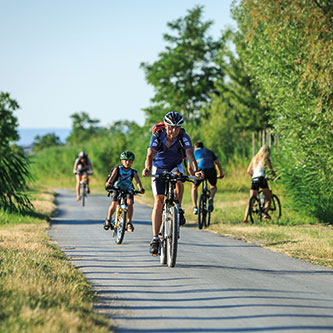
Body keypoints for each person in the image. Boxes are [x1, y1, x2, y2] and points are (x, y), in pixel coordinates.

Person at [142, 111, 204, 255]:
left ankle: (179, 208)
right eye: (170, 127)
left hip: (175, 165)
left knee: (179, 179)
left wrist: (196, 171)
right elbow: (150, 154)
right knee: (159, 201)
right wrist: (147, 168)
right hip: (159, 167)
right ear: (165, 126)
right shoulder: (158, 135)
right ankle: (155, 238)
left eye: (176, 128)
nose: (173, 131)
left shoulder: (184, 137)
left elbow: (190, 155)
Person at [104, 151, 145, 232]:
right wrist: (109, 184)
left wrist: (140, 188)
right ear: (122, 161)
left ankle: (129, 222)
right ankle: (108, 220)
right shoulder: (117, 169)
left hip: (128, 189)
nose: (128, 162)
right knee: (114, 203)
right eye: (125, 160)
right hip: (117, 188)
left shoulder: (133, 172)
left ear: (132, 162)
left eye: (130, 161)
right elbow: (112, 177)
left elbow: (137, 181)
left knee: (130, 203)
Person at [188, 141, 224, 214]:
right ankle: (211, 198)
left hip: (200, 171)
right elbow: (217, 163)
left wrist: (193, 176)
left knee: (194, 187)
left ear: (195, 147)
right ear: (202, 146)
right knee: (213, 186)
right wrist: (220, 174)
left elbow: (189, 167)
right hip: (211, 170)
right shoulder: (209, 151)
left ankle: (195, 207)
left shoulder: (193, 153)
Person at [243, 145, 276, 223]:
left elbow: (248, 171)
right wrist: (275, 176)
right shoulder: (266, 159)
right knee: (268, 199)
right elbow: (270, 170)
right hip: (261, 179)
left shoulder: (254, 158)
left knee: (251, 201)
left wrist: (254, 177)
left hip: (254, 179)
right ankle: (265, 212)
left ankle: (245, 219)